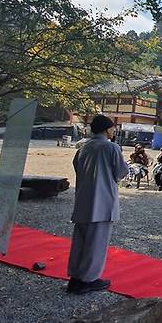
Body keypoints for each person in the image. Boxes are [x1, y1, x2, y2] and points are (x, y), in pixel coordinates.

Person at [67, 115, 129, 294]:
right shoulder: (111, 147)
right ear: (107, 129)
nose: (114, 131)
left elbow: (77, 167)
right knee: (96, 242)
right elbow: (121, 172)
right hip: (102, 200)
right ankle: (88, 279)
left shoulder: (83, 148)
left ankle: (75, 277)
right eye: (113, 128)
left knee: (80, 241)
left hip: (83, 199)